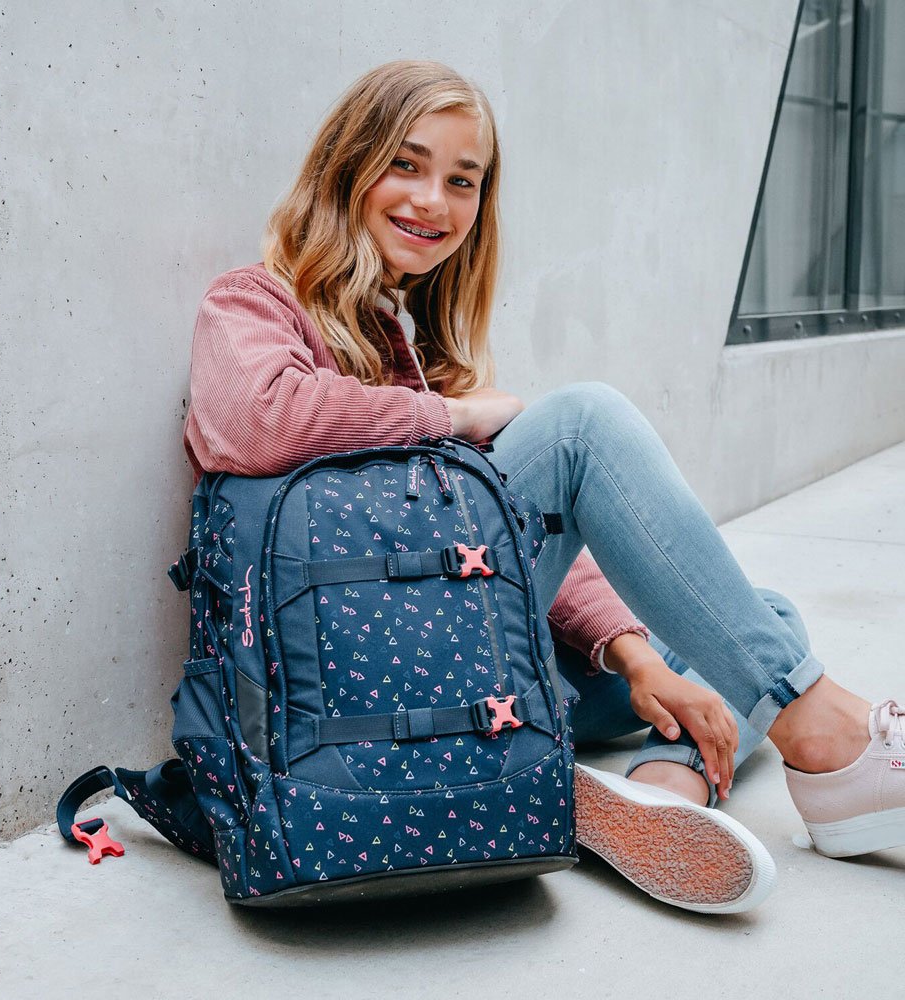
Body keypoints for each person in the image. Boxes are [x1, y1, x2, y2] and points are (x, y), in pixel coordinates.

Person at [182, 60, 905, 914]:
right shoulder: (256, 302)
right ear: (347, 165)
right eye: (406, 165)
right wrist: (449, 417)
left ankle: (657, 797)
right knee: (581, 425)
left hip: (471, 671)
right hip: (359, 687)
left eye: (463, 181)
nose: (433, 202)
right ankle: (822, 738)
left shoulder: (411, 342)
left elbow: (504, 539)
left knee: (763, 615)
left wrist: (634, 657)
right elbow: (259, 418)